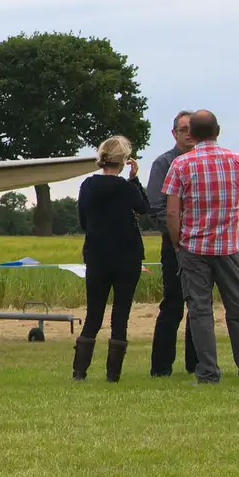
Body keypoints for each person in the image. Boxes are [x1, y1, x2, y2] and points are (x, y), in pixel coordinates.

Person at [162, 110, 239, 384]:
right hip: (229, 247)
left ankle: (207, 372)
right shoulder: (237, 160)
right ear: (218, 130)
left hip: (194, 248)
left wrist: (177, 242)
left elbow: (172, 212)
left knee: (200, 311)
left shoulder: (181, 165)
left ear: (192, 134)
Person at [72, 136, 150, 382]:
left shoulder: (87, 186)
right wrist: (134, 179)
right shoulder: (126, 188)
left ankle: (79, 371)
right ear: (124, 161)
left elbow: (84, 220)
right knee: (120, 314)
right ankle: (112, 374)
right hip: (127, 256)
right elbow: (144, 207)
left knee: (94, 313)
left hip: (97, 255)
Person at [145, 111, 198, 376]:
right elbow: (155, 208)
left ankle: (197, 364)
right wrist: (179, 234)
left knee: (200, 306)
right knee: (173, 304)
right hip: (175, 244)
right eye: (183, 129)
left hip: (203, 244)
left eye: (193, 129)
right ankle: (161, 368)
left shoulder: (205, 162)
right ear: (174, 133)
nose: (188, 133)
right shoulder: (163, 164)